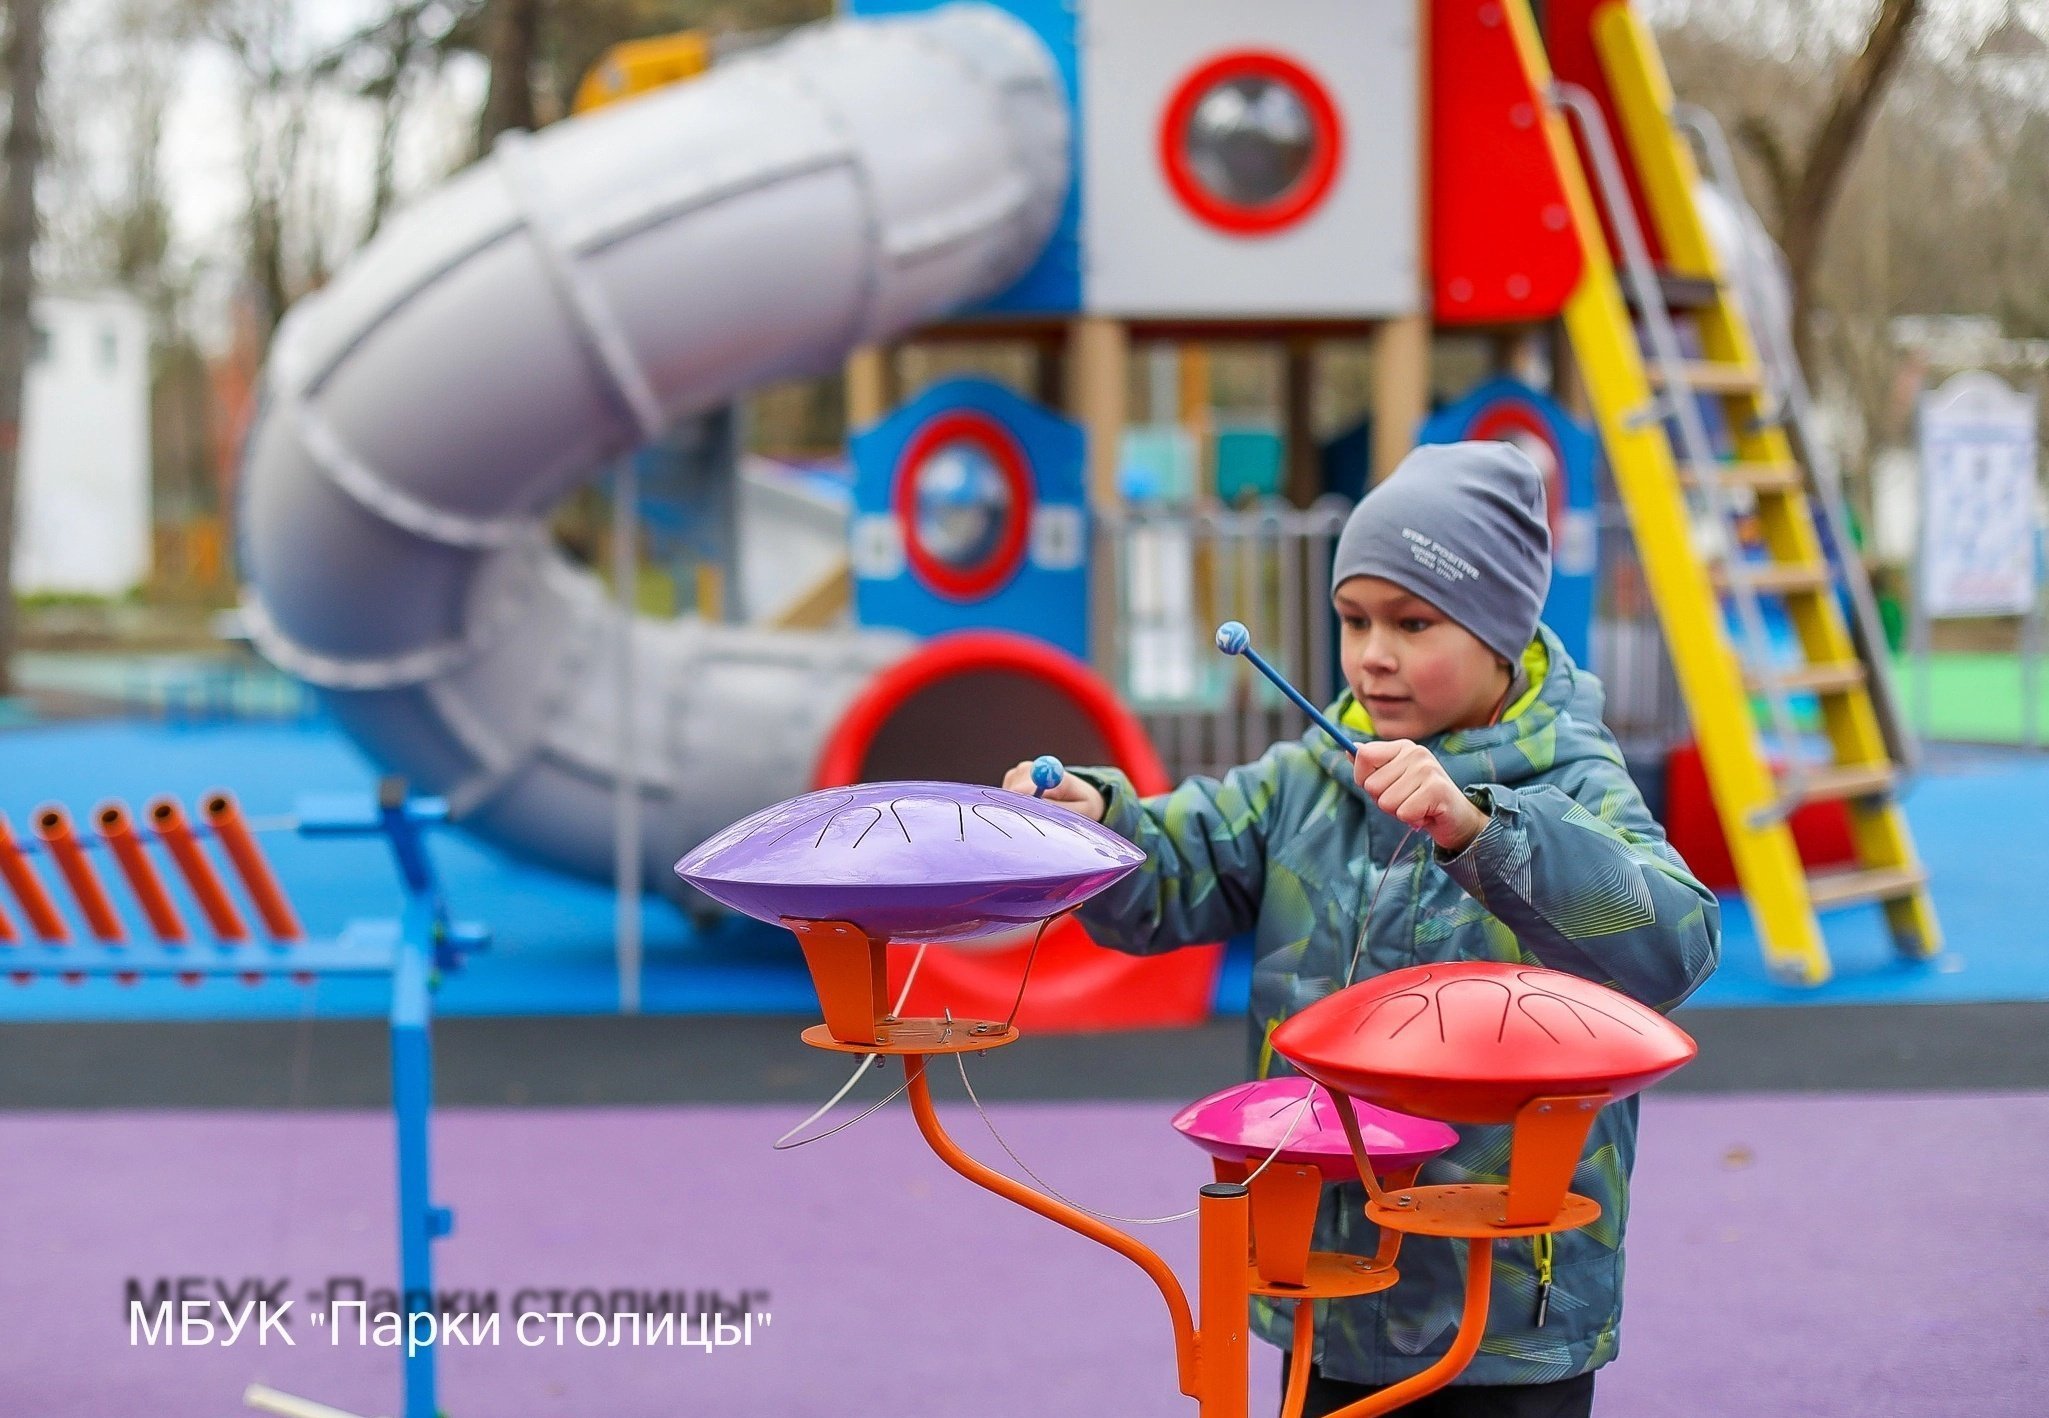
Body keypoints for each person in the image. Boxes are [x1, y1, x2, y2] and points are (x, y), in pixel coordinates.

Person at [1003, 441, 1720, 1418]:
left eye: (1413, 621)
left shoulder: (1576, 784)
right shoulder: (1310, 777)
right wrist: (1100, 820)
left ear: (1502, 632)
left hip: (1505, 1302)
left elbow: (1673, 945)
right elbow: (1177, 869)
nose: (1372, 651)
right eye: (1353, 619)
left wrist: (1481, 829)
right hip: (1331, 1279)